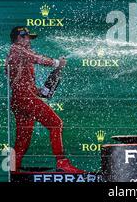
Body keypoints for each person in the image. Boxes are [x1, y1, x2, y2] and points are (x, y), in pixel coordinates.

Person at [5, 26, 82, 173]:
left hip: (20, 99)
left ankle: (13, 170)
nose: (29, 41)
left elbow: (23, 83)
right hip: (25, 98)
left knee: (23, 140)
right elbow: (38, 59)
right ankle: (62, 163)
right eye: (27, 38)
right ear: (19, 37)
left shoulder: (19, 55)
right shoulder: (16, 50)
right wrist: (57, 63)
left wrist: (45, 89)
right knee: (56, 123)